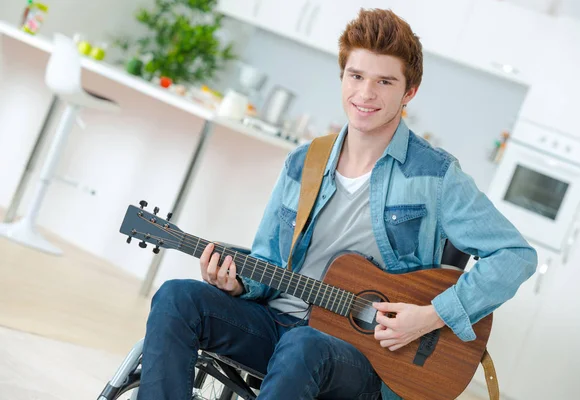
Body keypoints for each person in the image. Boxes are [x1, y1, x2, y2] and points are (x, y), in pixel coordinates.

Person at [137, 8, 537, 400]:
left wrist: (431, 316)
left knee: (306, 345)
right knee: (176, 296)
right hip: (276, 325)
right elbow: (269, 261)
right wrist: (238, 282)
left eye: (384, 81)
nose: (365, 93)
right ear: (342, 76)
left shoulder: (435, 176)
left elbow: (516, 255)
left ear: (408, 92)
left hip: (365, 359)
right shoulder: (303, 162)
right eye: (356, 76)